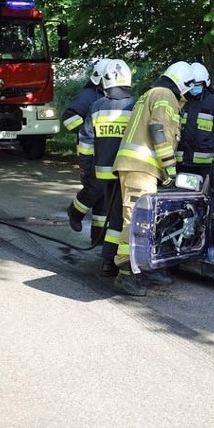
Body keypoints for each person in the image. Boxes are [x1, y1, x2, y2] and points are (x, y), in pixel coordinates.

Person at [111, 61, 196, 296]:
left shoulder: (153, 93)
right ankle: (126, 274)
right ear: (183, 83)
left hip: (140, 167)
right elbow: (159, 130)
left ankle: (146, 268)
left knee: (147, 221)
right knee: (136, 220)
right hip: (141, 167)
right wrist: (169, 168)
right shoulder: (165, 95)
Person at [84, 59, 136, 277]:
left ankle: (108, 260)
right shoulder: (135, 106)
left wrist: (86, 172)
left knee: (112, 213)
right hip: (127, 172)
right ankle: (110, 261)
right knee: (121, 216)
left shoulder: (96, 107)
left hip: (103, 172)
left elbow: (85, 144)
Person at [62, 59, 110, 235]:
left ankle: (98, 237)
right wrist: (87, 130)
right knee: (95, 187)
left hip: (106, 151)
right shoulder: (88, 95)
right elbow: (68, 117)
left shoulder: (109, 95)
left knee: (104, 196)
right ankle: (75, 212)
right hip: (90, 151)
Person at [175, 62, 214, 179]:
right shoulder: (182, 102)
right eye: (192, 85)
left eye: (198, 84)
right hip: (181, 164)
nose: (194, 88)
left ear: (205, 84)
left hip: (205, 167)